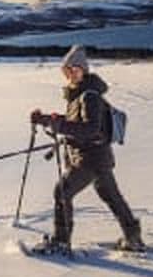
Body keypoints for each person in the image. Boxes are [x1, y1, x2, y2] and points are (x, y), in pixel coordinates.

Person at [30, 45, 144, 254]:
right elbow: (74, 122)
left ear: (83, 69)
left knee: (62, 191)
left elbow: (90, 129)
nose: (70, 74)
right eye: (67, 71)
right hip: (97, 158)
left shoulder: (89, 96)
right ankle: (133, 237)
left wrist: (60, 126)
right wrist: (46, 119)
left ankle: (61, 242)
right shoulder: (79, 95)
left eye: (74, 69)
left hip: (89, 159)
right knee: (112, 197)